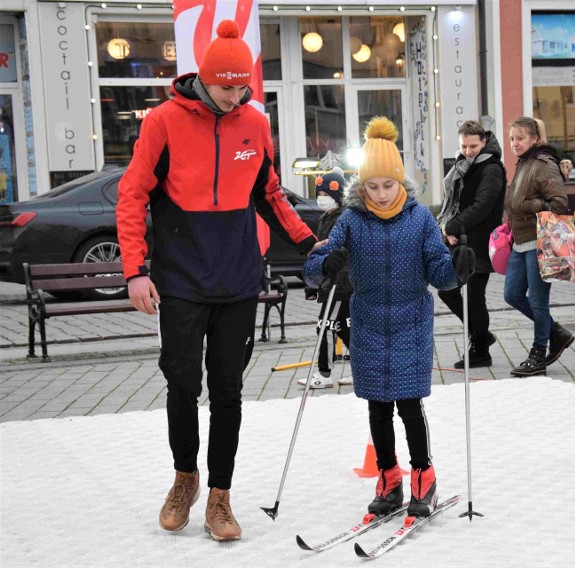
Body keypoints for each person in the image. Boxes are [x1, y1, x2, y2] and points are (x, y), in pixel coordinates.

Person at [116, 21, 319, 542]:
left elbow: (269, 192)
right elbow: (133, 196)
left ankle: (220, 497)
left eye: (242, 86)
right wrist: (135, 271)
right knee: (182, 383)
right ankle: (185, 478)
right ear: (204, 80)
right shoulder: (162, 121)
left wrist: (306, 242)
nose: (235, 96)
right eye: (226, 87)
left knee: (228, 389)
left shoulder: (253, 121)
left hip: (237, 277)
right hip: (180, 278)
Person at [304, 116, 467, 518]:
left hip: (412, 320)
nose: (380, 194)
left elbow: (439, 270)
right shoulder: (351, 220)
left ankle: (423, 476)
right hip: (369, 322)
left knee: (410, 407)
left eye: (388, 185)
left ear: (401, 181)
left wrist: (458, 268)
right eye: (372, 186)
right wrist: (328, 264)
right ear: (361, 187)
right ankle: (388, 478)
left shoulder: (420, 219)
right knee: (377, 407)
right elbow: (311, 266)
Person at [503, 116, 574, 377]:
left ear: (535, 139)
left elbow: (559, 203)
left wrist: (527, 206)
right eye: (512, 138)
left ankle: (538, 354)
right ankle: (556, 332)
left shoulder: (543, 164)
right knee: (512, 294)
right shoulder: (524, 163)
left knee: (538, 300)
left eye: (520, 138)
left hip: (540, 240)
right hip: (520, 241)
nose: (515, 143)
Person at [436, 120, 506, 368]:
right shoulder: (464, 166)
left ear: (484, 142)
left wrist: (453, 226)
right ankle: (482, 336)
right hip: (463, 240)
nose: (468, 151)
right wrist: (448, 228)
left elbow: (483, 205)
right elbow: (455, 203)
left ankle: (480, 349)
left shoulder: (492, 168)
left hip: (480, 241)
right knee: (450, 291)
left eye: (473, 146)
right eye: (464, 146)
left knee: (474, 296)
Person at [299, 167, 353, 389]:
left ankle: (324, 373)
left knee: (325, 325)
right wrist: (313, 285)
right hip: (329, 283)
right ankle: (364, 368)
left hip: (341, 285)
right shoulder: (325, 218)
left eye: (326, 195)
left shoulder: (345, 219)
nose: (321, 199)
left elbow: (340, 253)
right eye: (319, 195)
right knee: (345, 328)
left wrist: (329, 282)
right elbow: (320, 253)